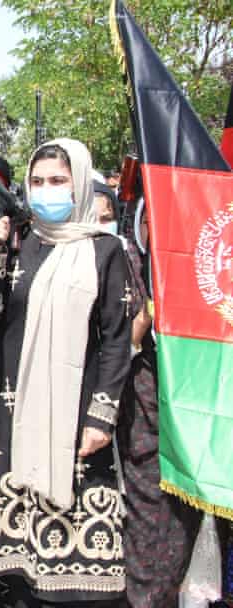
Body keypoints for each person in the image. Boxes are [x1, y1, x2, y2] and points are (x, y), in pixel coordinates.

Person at [0, 139, 131, 606]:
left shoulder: (105, 251)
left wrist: (102, 415)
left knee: (76, 581)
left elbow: (117, 337)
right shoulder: (21, 242)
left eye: (58, 181)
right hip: (11, 407)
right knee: (18, 574)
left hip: (76, 415)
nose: (46, 190)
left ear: (79, 183)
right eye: (37, 181)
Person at [116, 199, 202, 607]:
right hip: (142, 435)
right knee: (146, 546)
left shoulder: (207, 271)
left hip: (200, 436)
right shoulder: (127, 268)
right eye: (150, 221)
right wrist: (144, 320)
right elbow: (114, 347)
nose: (159, 230)